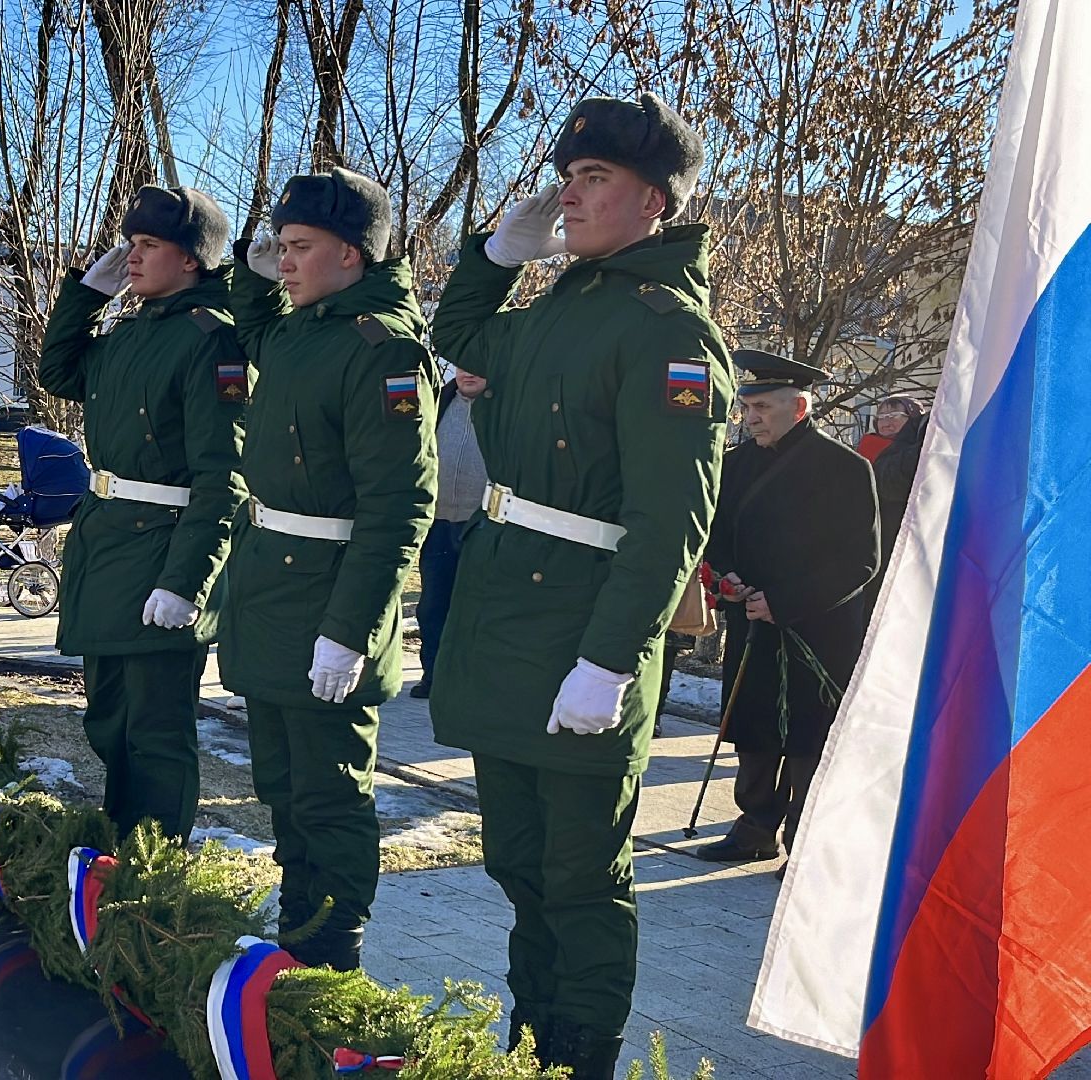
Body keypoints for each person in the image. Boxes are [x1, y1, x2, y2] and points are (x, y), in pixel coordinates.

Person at [428, 93, 730, 1077]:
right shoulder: (562, 303)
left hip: (583, 637)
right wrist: (493, 254)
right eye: (569, 176)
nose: (571, 193)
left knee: (581, 882)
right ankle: (529, 1049)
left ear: (655, 200)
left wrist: (609, 660)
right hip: (509, 623)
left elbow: (670, 520)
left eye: (593, 178)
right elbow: (464, 339)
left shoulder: (667, 331)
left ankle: (579, 1060)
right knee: (519, 867)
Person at [224, 166, 437, 972]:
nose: (283, 262)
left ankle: (329, 957)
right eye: (279, 246)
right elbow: (254, 323)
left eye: (300, 247)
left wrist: (349, 632)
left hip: (327, 601)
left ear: (352, 255)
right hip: (273, 592)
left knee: (331, 797)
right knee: (283, 789)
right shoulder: (298, 329)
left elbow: (398, 505)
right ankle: (295, 934)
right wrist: (255, 269)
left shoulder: (380, 349)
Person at [39, 185, 247, 842]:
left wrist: (187, 578)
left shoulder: (214, 342)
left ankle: (151, 872)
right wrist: (84, 295)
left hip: (162, 550)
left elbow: (225, 476)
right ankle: (120, 848)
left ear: (191, 259)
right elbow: (57, 370)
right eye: (131, 243)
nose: (132, 256)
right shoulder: (132, 331)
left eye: (149, 245)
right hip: (106, 546)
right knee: (108, 719)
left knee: (155, 732)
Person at [696, 351, 880, 867]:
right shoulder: (734, 465)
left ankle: (804, 841)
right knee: (752, 727)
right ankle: (755, 826)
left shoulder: (846, 468)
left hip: (818, 626)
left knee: (808, 736)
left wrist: (786, 602)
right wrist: (726, 579)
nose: (749, 419)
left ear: (798, 408)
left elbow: (859, 560)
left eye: (760, 409)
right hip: (752, 618)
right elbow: (716, 534)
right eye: (746, 408)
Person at [410, 366, 488, 699]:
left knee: (475, 607)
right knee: (433, 605)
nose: (468, 373)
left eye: (477, 366)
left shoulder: (506, 405)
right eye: (462, 365)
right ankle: (434, 675)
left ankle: (470, 680)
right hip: (438, 522)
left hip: (482, 525)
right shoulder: (438, 401)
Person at [870, 393, 927, 593]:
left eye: (894, 414)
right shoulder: (868, 446)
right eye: (882, 417)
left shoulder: (914, 447)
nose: (886, 421)